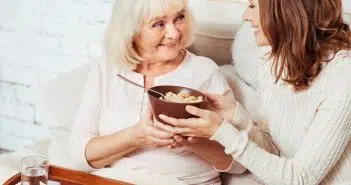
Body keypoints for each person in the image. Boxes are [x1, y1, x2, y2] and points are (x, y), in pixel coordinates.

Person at [68, 0, 278, 184]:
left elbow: (239, 166)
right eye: (159, 24)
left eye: (179, 18)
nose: (174, 33)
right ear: (131, 29)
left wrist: (195, 141)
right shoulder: (106, 69)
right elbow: (78, 157)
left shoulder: (205, 71)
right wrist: (136, 137)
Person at [158, 0, 351, 184]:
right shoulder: (275, 60)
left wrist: (220, 132)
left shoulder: (343, 77)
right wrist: (235, 114)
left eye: (252, 6)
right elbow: (273, 149)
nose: (246, 16)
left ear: (284, 11)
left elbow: (300, 179)